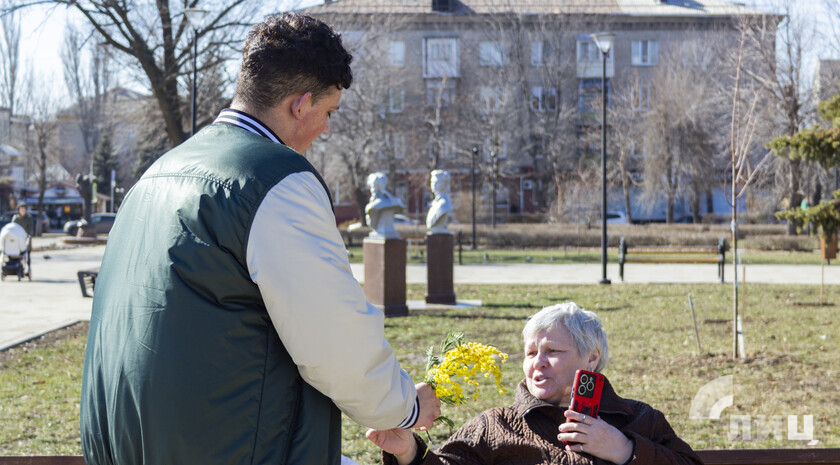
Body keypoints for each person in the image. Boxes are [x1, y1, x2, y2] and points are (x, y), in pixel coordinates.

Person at [80, 13, 440, 465]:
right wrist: (405, 406)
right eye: (328, 112)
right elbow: (334, 339)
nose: (326, 129)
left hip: (122, 442)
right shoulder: (275, 180)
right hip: (223, 444)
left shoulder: (159, 172)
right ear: (301, 104)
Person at [367, 302, 702, 465]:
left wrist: (626, 450)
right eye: (530, 352)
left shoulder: (638, 420)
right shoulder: (494, 427)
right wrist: (409, 453)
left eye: (553, 351)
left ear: (591, 358)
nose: (537, 362)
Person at [365, 172, 404, 238]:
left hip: (386, 233)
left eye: (372, 186)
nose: (371, 189)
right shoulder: (393, 201)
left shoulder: (376, 205)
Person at [426, 170, 453, 234]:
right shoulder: (435, 204)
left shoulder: (444, 204)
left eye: (434, 182)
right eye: (431, 182)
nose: (432, 185)